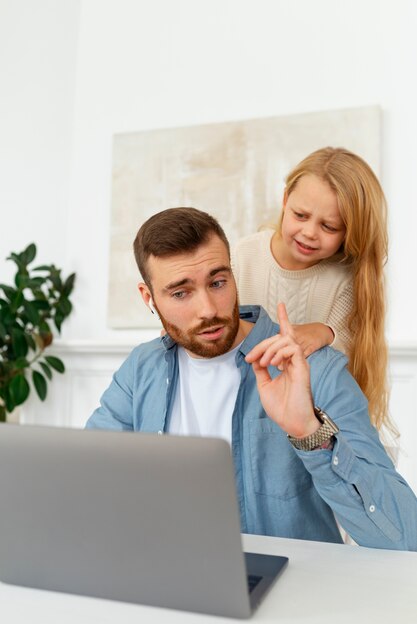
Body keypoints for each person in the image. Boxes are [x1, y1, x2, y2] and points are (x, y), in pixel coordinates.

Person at [86, 207, 417, 551]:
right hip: (165, 575)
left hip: (289, 590)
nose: (209, 309)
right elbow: (89, 481)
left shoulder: (314, 368)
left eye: (217, 282)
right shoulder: (142, 368)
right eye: (181, 293)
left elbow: (405, 540)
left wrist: (309, 432)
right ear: (148, 298)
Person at [232, 147, 394, 438]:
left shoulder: (345, 279)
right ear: (284, 201)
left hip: (311, 424)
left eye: (329, 226)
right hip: (241, 417)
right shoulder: (242, 256)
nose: (309, 232)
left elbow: (349, 352)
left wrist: (325, 332)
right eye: (300, 215)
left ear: (350, 232)